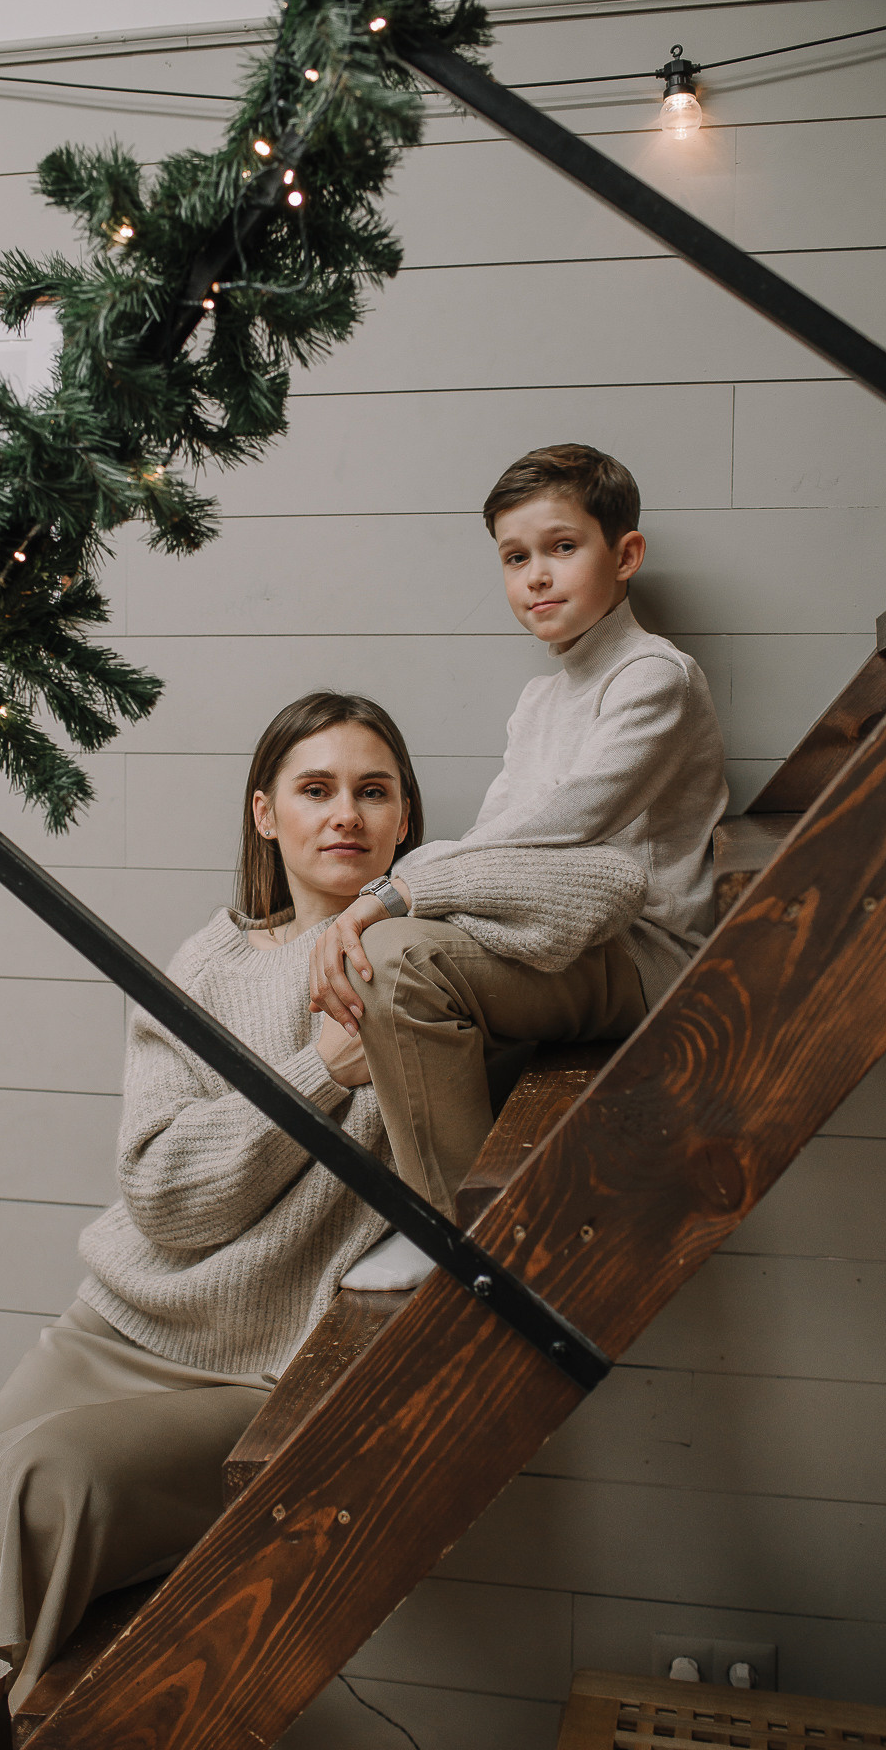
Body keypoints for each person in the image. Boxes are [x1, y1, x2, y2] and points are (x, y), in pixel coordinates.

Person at [0, 691, 429, 1750]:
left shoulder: (424, 959)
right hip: (115, 1330)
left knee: (42, 1483)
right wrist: (322, 1071)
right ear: (263, 813)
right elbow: (167, 1199)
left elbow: (588, 885)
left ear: (405, 817)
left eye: (372, 792)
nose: (344, 816)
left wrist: (412, 905)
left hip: (258, 1372)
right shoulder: (212, 963)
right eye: (314, 790)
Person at [309, 442, 729, 1218]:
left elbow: (561, 827)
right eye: (514, 558)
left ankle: (460, 1243)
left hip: (644, 955)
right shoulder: (540, 699)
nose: (535, 575)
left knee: (399, 961)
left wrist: (393, 892)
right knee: (383, 958)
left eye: (561, 548)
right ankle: (410, 1214)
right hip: (567, 940)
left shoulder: (654, 677)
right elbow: (499, 835)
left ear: (626, 553)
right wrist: (398, 896)